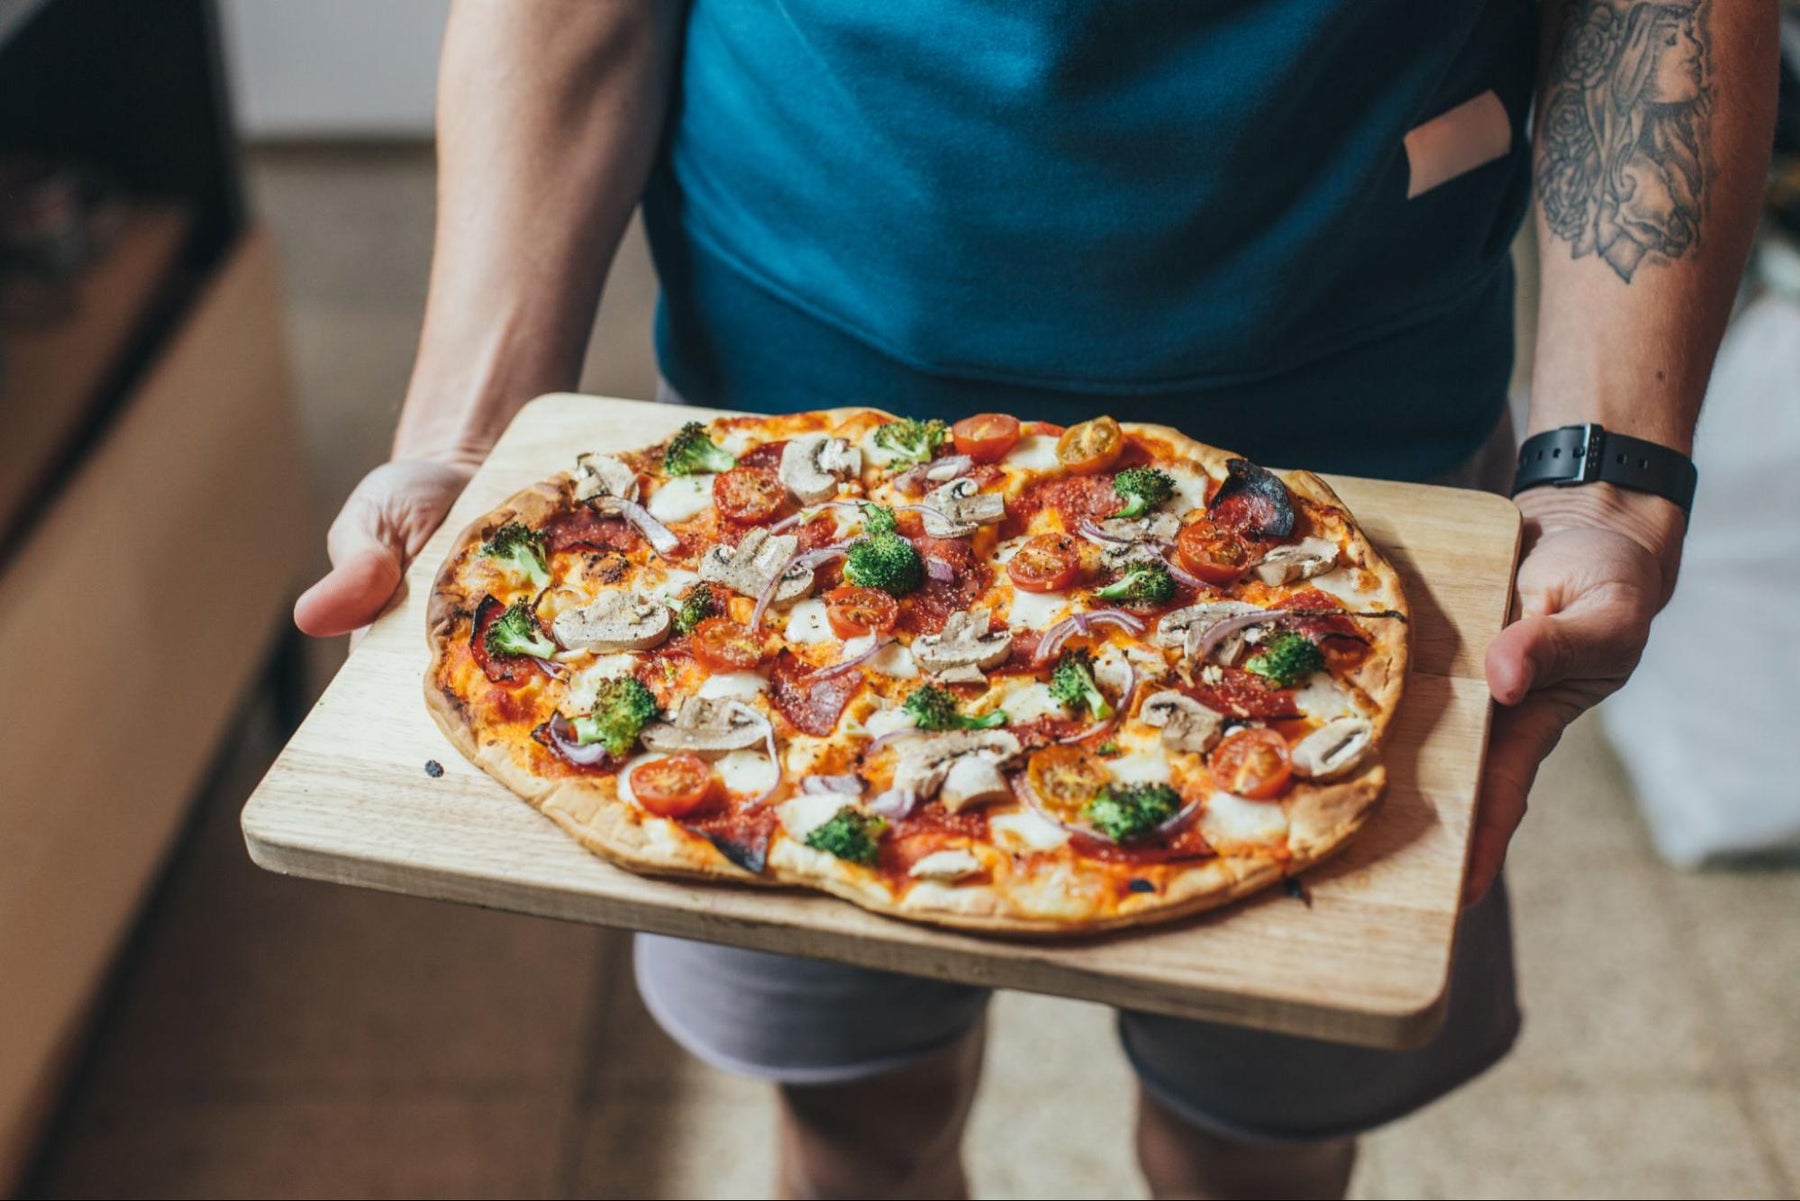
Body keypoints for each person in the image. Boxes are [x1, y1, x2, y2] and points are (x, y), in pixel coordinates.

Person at [294, 2, 1777, 1196]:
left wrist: (1605, 480)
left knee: (1254, 1153)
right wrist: (467, 441)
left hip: (1349, 450)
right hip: (756, 492)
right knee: (856, 1124)